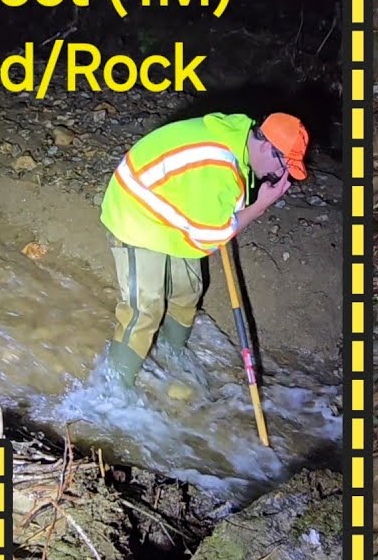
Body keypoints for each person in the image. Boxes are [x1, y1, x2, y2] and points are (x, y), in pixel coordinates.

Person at [97, 111, 310, 388]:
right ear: (267, 147)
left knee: (188, 290)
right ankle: (114, 391)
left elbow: (218, 211)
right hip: (136, 211)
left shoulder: (239, 137)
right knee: (145, 309)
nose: (281, 176)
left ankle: (174, 354)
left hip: (170, 205)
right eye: (284, 167)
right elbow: (209, 238)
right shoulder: (221, 164)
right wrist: (260, 206)